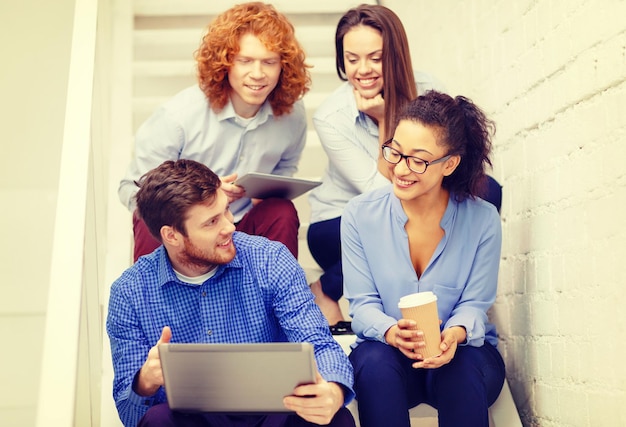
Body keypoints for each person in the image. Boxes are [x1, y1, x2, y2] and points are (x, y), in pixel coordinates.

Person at [106, 159, 356, 427]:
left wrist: (332, 390)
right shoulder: (129, 292)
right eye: (211, 222)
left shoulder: (269, 259)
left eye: (226, 211)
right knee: (157, 420)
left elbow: (318, 343)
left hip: (275, 411)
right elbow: (130, 416)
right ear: (172, 235)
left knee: (335, 419)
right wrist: (145, 381)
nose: (229, 227)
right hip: (194, 420)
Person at [341, 91, 506, 427]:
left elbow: (475, 305)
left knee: (461, 366)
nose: (400, 168)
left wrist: (455, 334)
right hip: (391, 363)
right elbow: (362, 306)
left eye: (418, 159)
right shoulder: (359, 215)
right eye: (396, 152)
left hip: (463, 358)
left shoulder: (483, 219)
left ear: (449, 163)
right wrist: (390, 332)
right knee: (372, 362)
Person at [118, 2, 310, 262]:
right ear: (226, 63)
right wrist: (202, 196)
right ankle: (152, 301)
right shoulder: (180, 115)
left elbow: (284, 171)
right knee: (150, 214)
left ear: (283, 66)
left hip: (239, 227)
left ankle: (278, 299)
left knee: (281, 211)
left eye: (269, 62)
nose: (258, 74)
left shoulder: (292, 115)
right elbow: (133, 189)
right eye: (245, 61)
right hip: (186, 231)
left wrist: (262, 193)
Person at [306, 4, 445, 332]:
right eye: (352, 59)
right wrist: (386, 121)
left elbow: (452, 164)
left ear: (395, 55)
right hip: (339, 225)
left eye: (375, 58)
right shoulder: (331, 117)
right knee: (396, 217)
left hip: (412, 215)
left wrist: (388, 115)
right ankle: (327, 289)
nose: (362, 70)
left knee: (482, 193)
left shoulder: (429, 91)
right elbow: (383, 192)